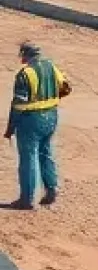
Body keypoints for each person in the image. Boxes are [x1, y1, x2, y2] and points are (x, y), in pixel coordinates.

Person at [5, 41, 69, 209]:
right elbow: (67, 88)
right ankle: (51, 190)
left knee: (28, 157)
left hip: (31, 120)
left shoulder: (25, 74)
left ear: (25, 56)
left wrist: (11, 126)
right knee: (46, 152)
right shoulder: (51, 66)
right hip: (52, 116)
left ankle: (28, 199)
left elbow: (19, 104)